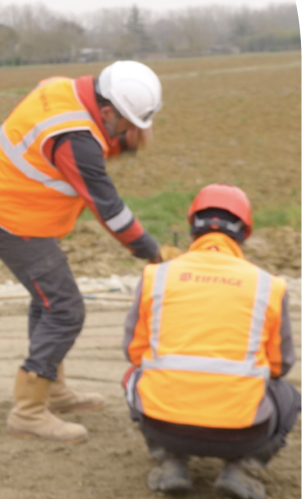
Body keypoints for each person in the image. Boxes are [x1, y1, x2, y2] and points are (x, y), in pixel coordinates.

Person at [0, 60, 164, 444]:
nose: (133, 134)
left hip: (12, 205)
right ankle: (28, 411)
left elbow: (87, 142)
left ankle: (52, 390)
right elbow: (108, 208)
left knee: (49, 300)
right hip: (10, 218)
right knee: (65, 308)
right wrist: (151, 250)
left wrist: (122, 139)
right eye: (129, 125)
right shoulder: (75, 139)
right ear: (107, 111)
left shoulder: (63, 88)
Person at [124, 185, 299, 499]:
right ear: (244, 232)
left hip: (163, 426)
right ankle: (243, 469)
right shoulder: (268, 286)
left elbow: (134, 353)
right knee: (288, 395)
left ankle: (170, 462)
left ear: (193, 229)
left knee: (133, 377)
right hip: (243, 434)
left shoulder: (156, 276)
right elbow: (279, 365)